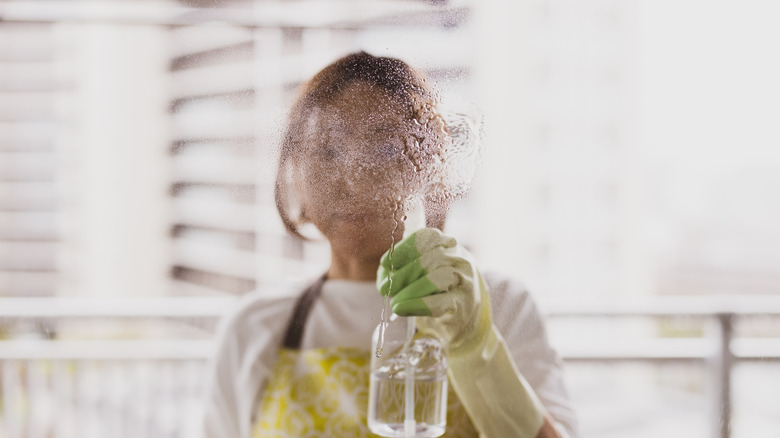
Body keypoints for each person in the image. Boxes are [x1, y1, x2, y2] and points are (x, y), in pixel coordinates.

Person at [200, 52, 578, 438]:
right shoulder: (253, 327)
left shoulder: (501, 306)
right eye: (329, 150)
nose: (355, 179)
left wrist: (474, 348)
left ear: (430, 169)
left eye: (387, 150)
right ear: (295, 173)